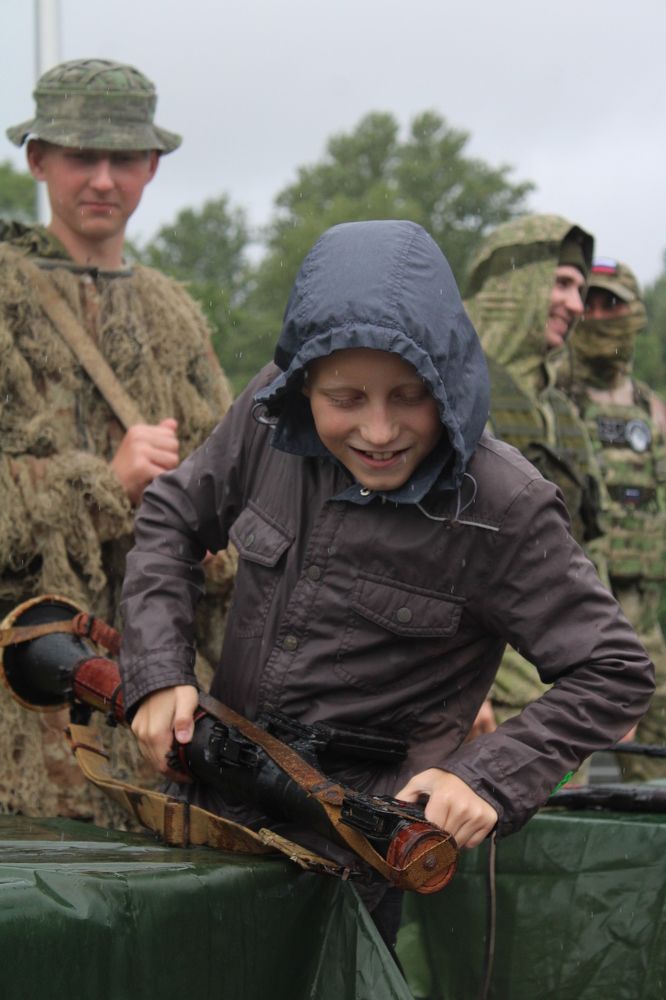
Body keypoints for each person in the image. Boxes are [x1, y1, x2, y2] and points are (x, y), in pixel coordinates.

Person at [118, 219, 653, 946]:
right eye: (346, 399)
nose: (377, 430)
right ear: (305, 382)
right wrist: (156, 672)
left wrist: (487, 778)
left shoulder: (503, 504)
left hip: (352, 870)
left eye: (408, 397)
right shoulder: (268, 416)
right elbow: (173, 514)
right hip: (202, 819)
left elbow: (614, 671)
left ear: (451, 377)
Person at [0, 58, 235, 825]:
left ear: (151, 167)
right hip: (22, 692)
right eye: (79, 156)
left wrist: (210, 539)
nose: (102, 179)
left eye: (123, 159)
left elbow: (244, 483)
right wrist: (105, 480)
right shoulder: (7, 298)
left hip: (152, 693)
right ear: (37, 160)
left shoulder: (173, 314)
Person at [463, 214, 603, 733]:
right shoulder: (451, 395)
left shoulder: (560, 413)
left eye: (581, 289)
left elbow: (592, 551)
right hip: (483, 692)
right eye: (561, 283)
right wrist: (474, 691)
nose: (575, 304)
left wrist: (610, 666)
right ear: (517, 284)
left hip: (563, 686)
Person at [558, 259, 666, 780]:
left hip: (644, 614)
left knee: (655, 760)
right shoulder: (552, 399)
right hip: (569, 608)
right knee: (559, 752)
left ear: (633, 312)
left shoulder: (654, 409)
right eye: (591, 303)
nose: (597, 316)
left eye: (612, 304)